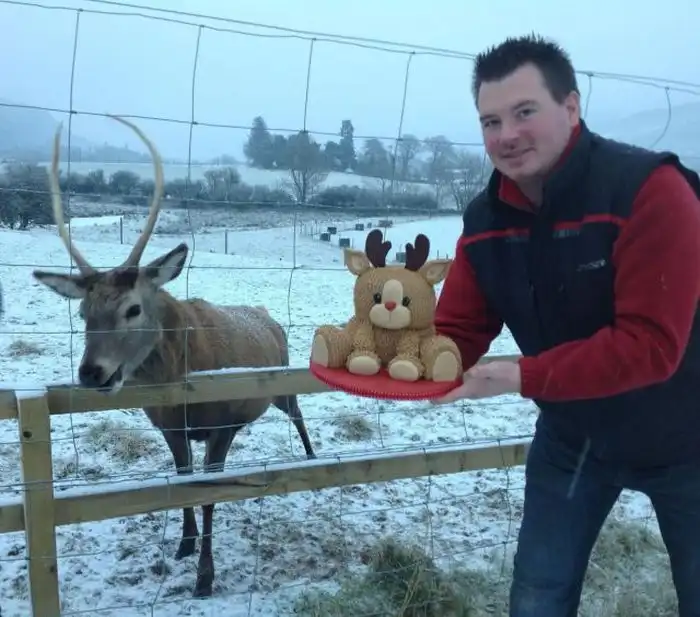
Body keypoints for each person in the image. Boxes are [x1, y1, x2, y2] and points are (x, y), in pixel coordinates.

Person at [432, 34, 700, 616]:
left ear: (571, 107)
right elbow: (458, 328)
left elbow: (651, 345)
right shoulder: (486, 219)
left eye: (524, 112)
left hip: (688, 433)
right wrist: (400, 358)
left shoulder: (649, 191)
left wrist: (520, 376)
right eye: (490, 121)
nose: (506, 135)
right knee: (538, 596)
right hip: (574, 436)